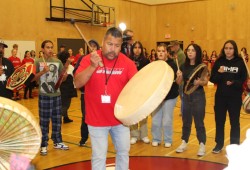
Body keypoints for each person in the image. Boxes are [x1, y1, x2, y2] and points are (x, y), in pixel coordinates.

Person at [74, 27, 137, 170]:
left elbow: (136, 89)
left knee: (123, 153)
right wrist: (92, 67)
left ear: (121, 46)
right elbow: (77, 83)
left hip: (120, 119)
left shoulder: (128, 63)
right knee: (99, 156)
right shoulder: (89, 59)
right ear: (102, 42)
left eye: (117, 45)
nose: (113, 49)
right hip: (96, 119)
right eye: (109, 44)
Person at [210, 40, 247, 154]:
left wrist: (234, 82)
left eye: (230, 48)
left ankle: (234, 145)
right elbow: (212, 79)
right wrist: (220, 73)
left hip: (235, 98)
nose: (228, 50)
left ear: (234, 50)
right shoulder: (219, 61)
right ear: (223, 49)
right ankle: (219, 144)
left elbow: (243, 80)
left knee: (234, 122)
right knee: (219, 121)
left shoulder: (240, 62)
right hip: (220, 97)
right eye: (226, 48)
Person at [33, 40, 69, 156]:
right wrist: (42, 72)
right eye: (48, 47)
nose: (50, 50)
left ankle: (57, 141)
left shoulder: (58, 62)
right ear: (42, 49)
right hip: (44, 96)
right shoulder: (38, 62)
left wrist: (64, 76)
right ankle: (43, 144)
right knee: (44, 122)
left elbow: (61, 80)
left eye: (51, 47)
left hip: (56, 95)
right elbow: (33, 79)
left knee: (57, 121)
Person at [176, 43, 208, 157]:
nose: (190, 52)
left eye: (192, 50)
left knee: (199, 122)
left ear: (197, 52)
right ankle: (184, 142)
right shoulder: (183, 65)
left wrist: (199, 82)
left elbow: (205, 81)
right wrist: (179, 76)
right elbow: (179, 82)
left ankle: (202, 144)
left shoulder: (202, 66)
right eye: (188, 50)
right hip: (186, 97)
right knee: (186, 121)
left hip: (198, 96)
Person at [151, 43, 182, 148]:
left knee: (167, 120)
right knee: (155, 120)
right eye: (159, 51)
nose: (160, 53)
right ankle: (156, 138)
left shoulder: (172, 64)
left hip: (170, 96)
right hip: (156, 97)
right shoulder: (154, 65)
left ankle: (168, 139)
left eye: (163, 51)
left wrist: (179, 77)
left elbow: (177, 82)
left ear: (167, 53)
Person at [74, 39, 100, 146]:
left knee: (98, 116)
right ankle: (83, 138)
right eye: (90, 46)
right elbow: (76, 73)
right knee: (85, 116)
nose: (92, 48)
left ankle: (98, 139)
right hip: (85, 94)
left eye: (94, 46)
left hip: (98, 94)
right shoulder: (83, 59)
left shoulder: (102, 59)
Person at [129, 41, 150, 145]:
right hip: (131, 91)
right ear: (132, 49)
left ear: (142, 49)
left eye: (139, 47)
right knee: (132, 112)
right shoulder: (128, 61)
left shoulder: (146, 61)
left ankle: (144, 135)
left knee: (143, 113)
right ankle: (134, 135)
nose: (137, 49)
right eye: (135, 47)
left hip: (142, 90)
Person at [58, 51, 77, 123]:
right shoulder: (70, 67)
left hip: (61, 88)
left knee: (63, 103)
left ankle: (65, 118)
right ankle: (58, 117)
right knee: (66, 104)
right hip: (67, 89)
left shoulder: (59, 66)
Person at [168, 40, 186, 116]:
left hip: (181, 79)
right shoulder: (177, 54)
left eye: (172, 46)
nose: (171, 48)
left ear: (176, 46)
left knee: (182, 96)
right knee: (182, 97)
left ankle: (184, 111)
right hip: (179, 78)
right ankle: (183, 111)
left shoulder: (180, 54)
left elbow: (176, 66)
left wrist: (171, 59)